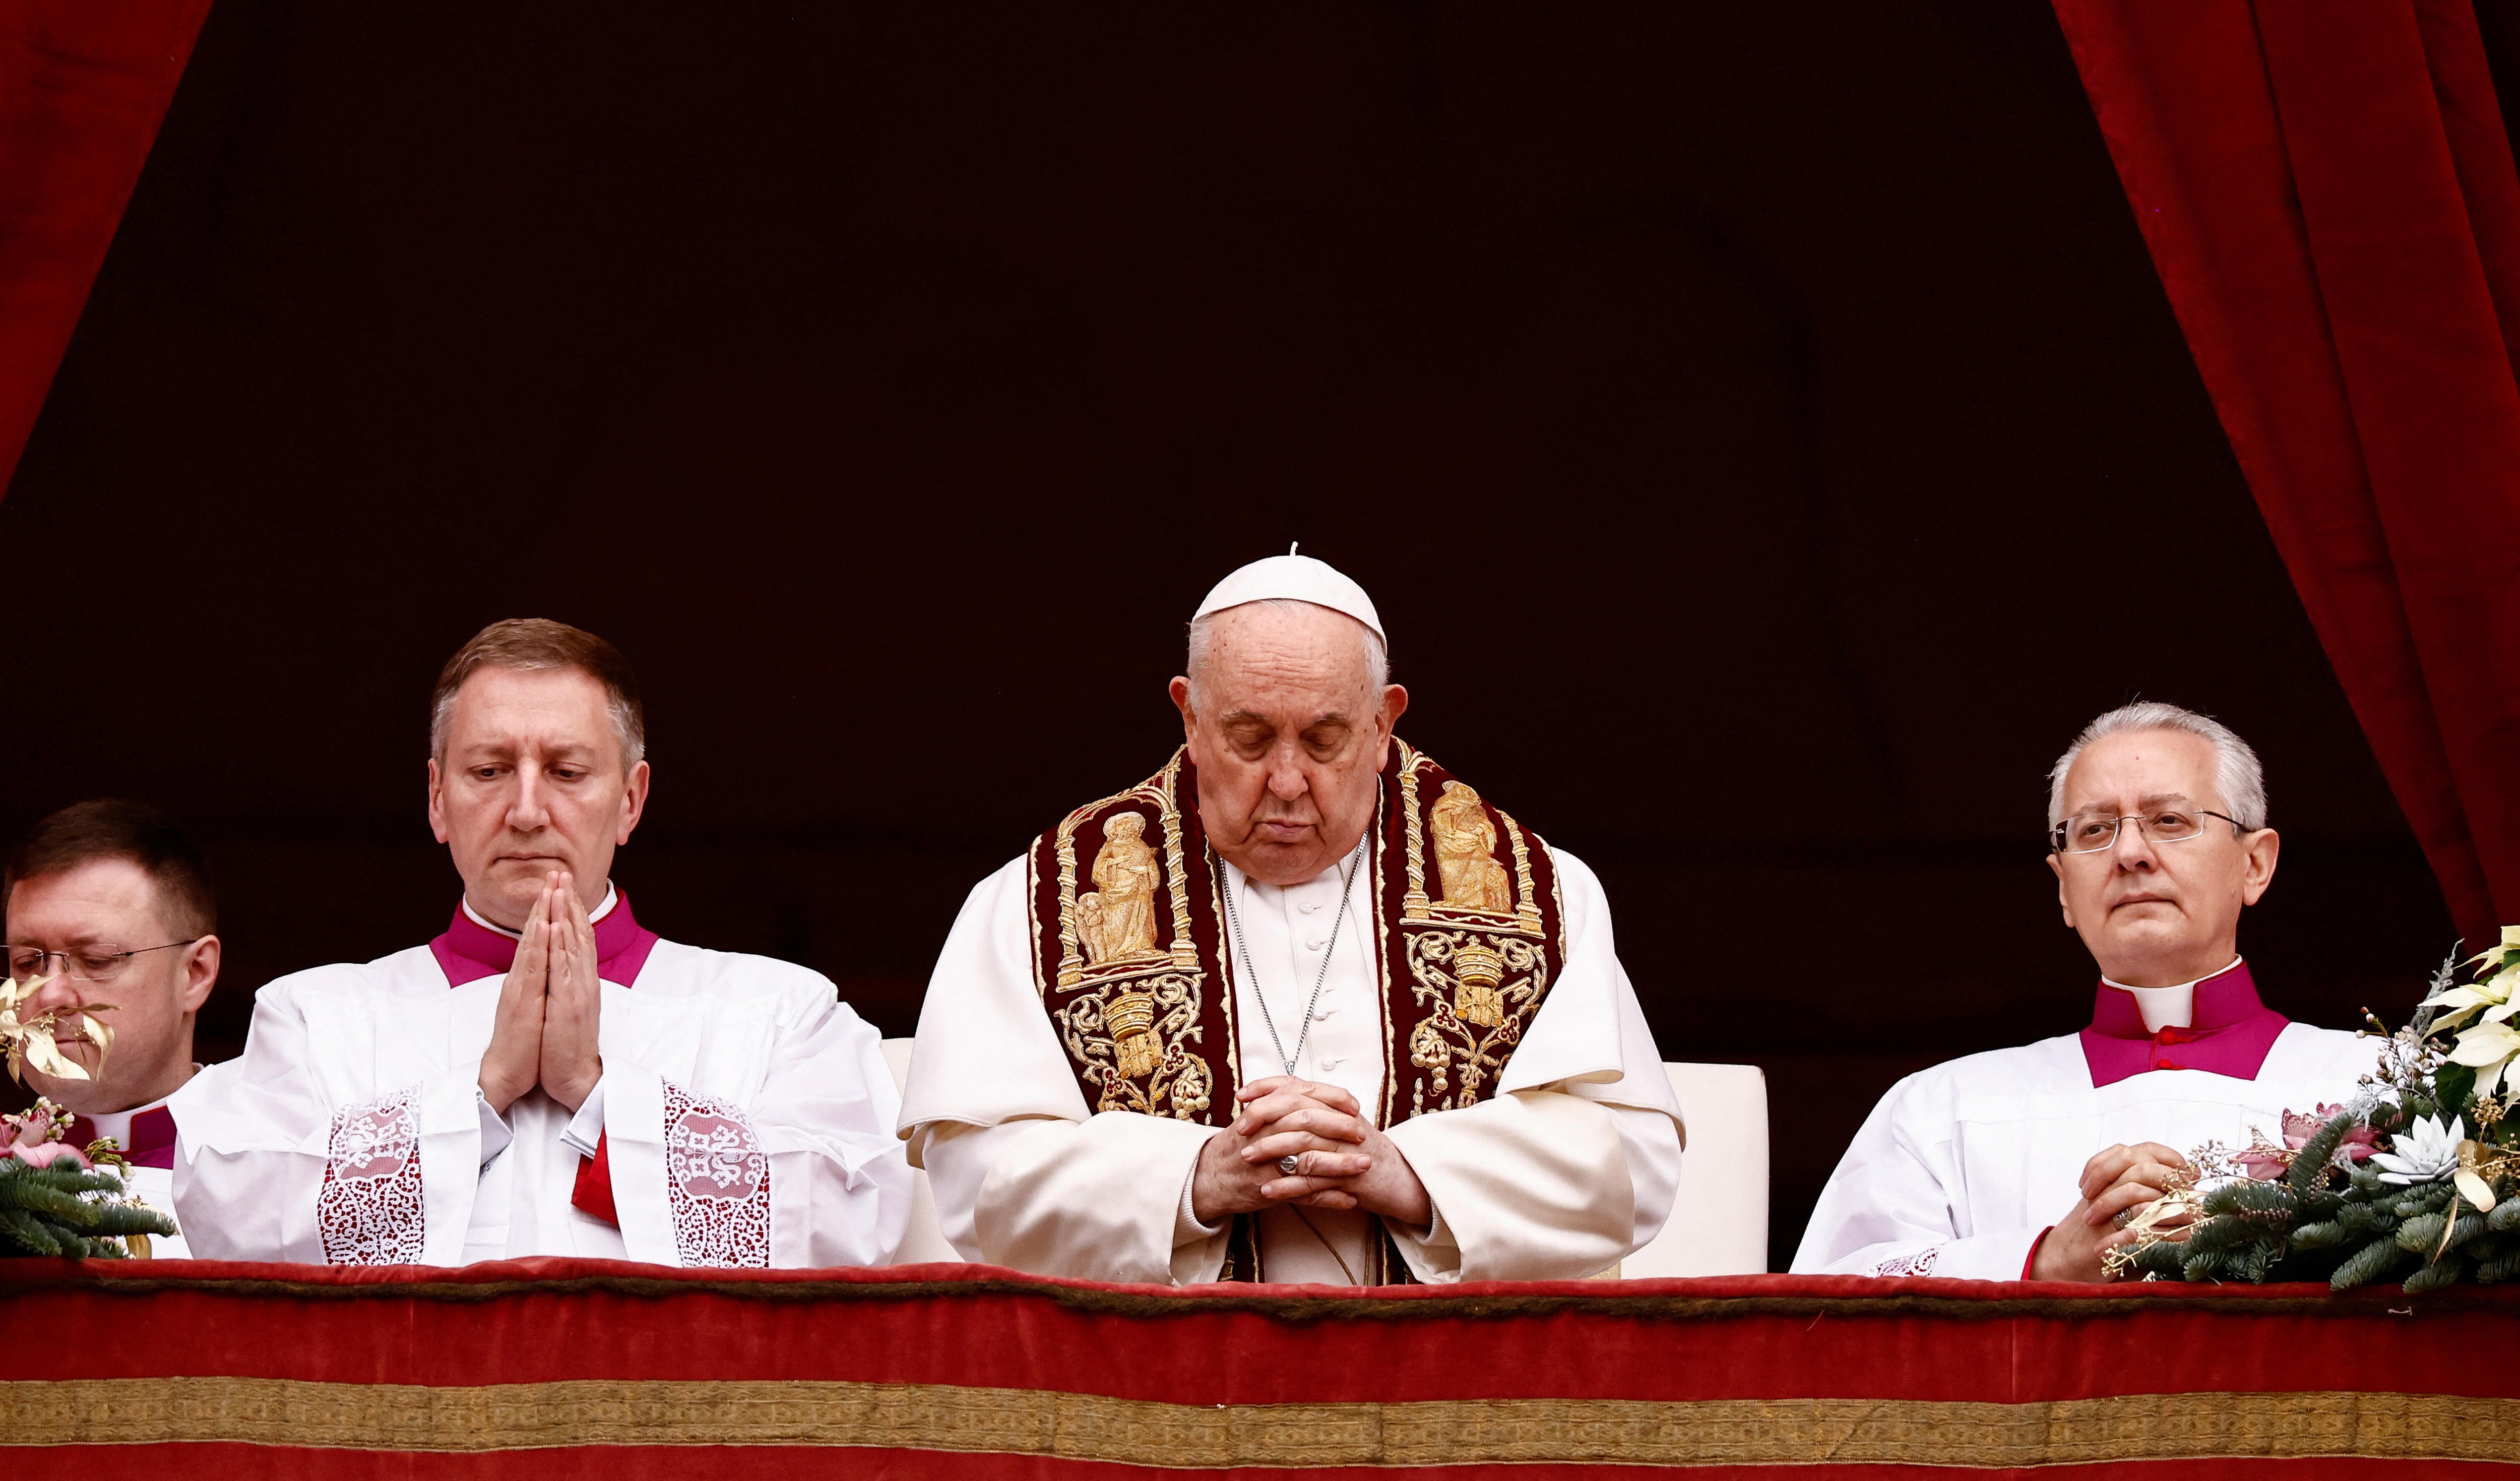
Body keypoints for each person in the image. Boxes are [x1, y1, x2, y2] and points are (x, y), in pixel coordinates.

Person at [900, 551, 1684, 1285]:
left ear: (1383, 724)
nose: (1285, 780)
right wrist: (1195, 1179)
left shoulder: (1537, 892)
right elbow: (975, 1182)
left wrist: (1406, 1174)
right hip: (1161, 1406)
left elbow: (1635, 1165)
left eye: (1323, 738)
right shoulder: (1044, 901)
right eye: (1249, 736)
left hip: (1448, 1399)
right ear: (1190, 717)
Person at [175, 620, 912, 1267]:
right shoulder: (315, 1017)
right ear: (437, 799)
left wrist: (597, 1093)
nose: (527, 811)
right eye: (489, 771)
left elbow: (850, 1218)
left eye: (566, 772)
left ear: (630, 799)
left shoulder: (778, 1011)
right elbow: (233, 1218)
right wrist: (479, 1093)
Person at [1793, 701, 2378, 1282]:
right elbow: (1827, 1311)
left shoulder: (2380, 1086)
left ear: (2254, 864)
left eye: (2169, 821)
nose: (2129, 854)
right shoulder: (1939, 1109)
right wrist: (2043, 1261)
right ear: (2063, 890)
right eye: (2094, 830)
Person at [4, 800, 222, 1258]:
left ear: (195, 973)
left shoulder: (284, 1169)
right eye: (28, 963)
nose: (49, 994)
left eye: (97, 960)